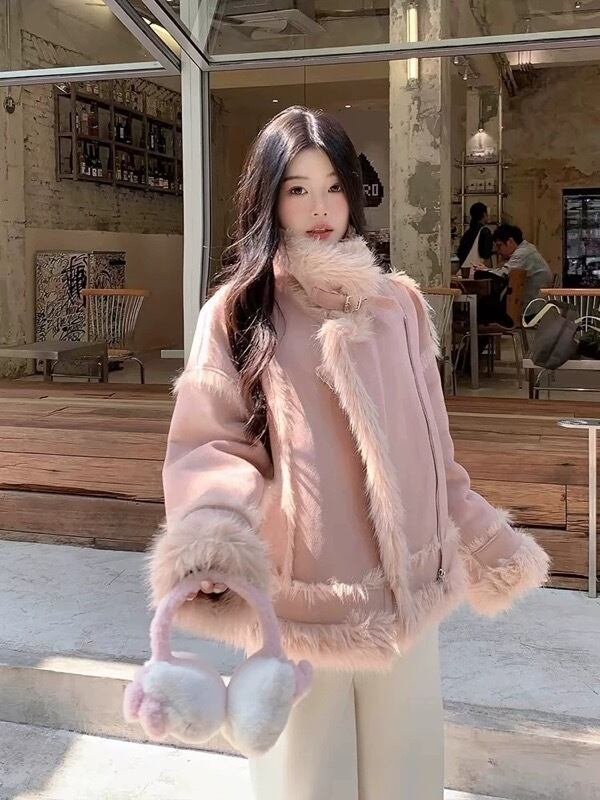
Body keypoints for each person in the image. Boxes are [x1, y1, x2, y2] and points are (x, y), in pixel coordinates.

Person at [149, 107, 549, 800]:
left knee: (407, 780)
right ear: (269, 197)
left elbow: (433, 450)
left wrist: (484, 538)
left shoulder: (399, 307)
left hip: (409, 596)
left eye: (334, 186)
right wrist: (212, 539)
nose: (320, 208)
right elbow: (212, 443)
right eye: (298, 189)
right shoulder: (240, 311)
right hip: (303, 609)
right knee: (310, 783)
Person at [492, 224, 554, 308]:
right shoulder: (527, 248)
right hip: (535, 300)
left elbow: (503, 274)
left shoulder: (523, 253)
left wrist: (482, 269)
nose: (498, 251)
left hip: (532, 305)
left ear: (510, 241)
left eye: (499, 246)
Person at [456, 202, 494, 270]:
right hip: (478, 270)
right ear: (484, 214)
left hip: (465, 270)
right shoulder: (485, 231)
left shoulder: (468, 232)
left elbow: (459, 252)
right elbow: (486, 254)